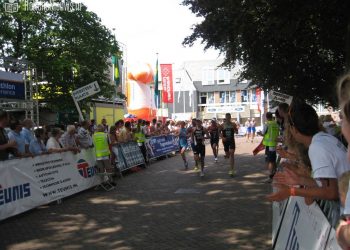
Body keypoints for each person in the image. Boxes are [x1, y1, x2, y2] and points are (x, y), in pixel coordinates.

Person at [267, 102, 350, 205]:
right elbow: (328, 184)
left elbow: (331, 192)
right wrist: (300, 180)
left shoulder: (317, 147)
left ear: (294, 129)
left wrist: (291, 191)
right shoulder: (323, 138)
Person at [258, 112, 279, 183]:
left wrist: (259, 133)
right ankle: (275, 174)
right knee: (273, 160)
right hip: (274, 144)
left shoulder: (267, 124)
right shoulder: (276, 124)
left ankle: (270, 177)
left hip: (269, 145)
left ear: (266, 117)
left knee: (270, 161)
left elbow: (263, 133)